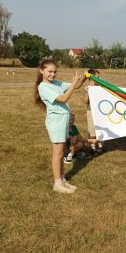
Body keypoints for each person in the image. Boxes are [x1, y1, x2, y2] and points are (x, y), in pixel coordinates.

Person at [35, 59, 86, 194]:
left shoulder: (56, 83)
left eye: (55, 72)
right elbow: (63, 99)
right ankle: (57, 183)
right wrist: (74, 83)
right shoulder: (43, 87)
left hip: (63, 120)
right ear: (42, 71)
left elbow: (76, 86)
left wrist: (85, 77)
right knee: (57, 153)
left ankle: (62, 179)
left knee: (62, 152)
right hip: (56, 121)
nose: (53, 74)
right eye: (49, 72)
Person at [83, 69, 103, 153]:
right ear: (91, 78)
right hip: (91, 112)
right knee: (92, 131)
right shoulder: (88, 88)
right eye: (97, 78)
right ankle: (92, 147)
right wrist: (88, 92)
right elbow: (85, 101)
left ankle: (100, 146)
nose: (98, 79)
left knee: (101, 130)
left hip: (100, 113)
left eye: (99, 78)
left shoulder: (100, 88)